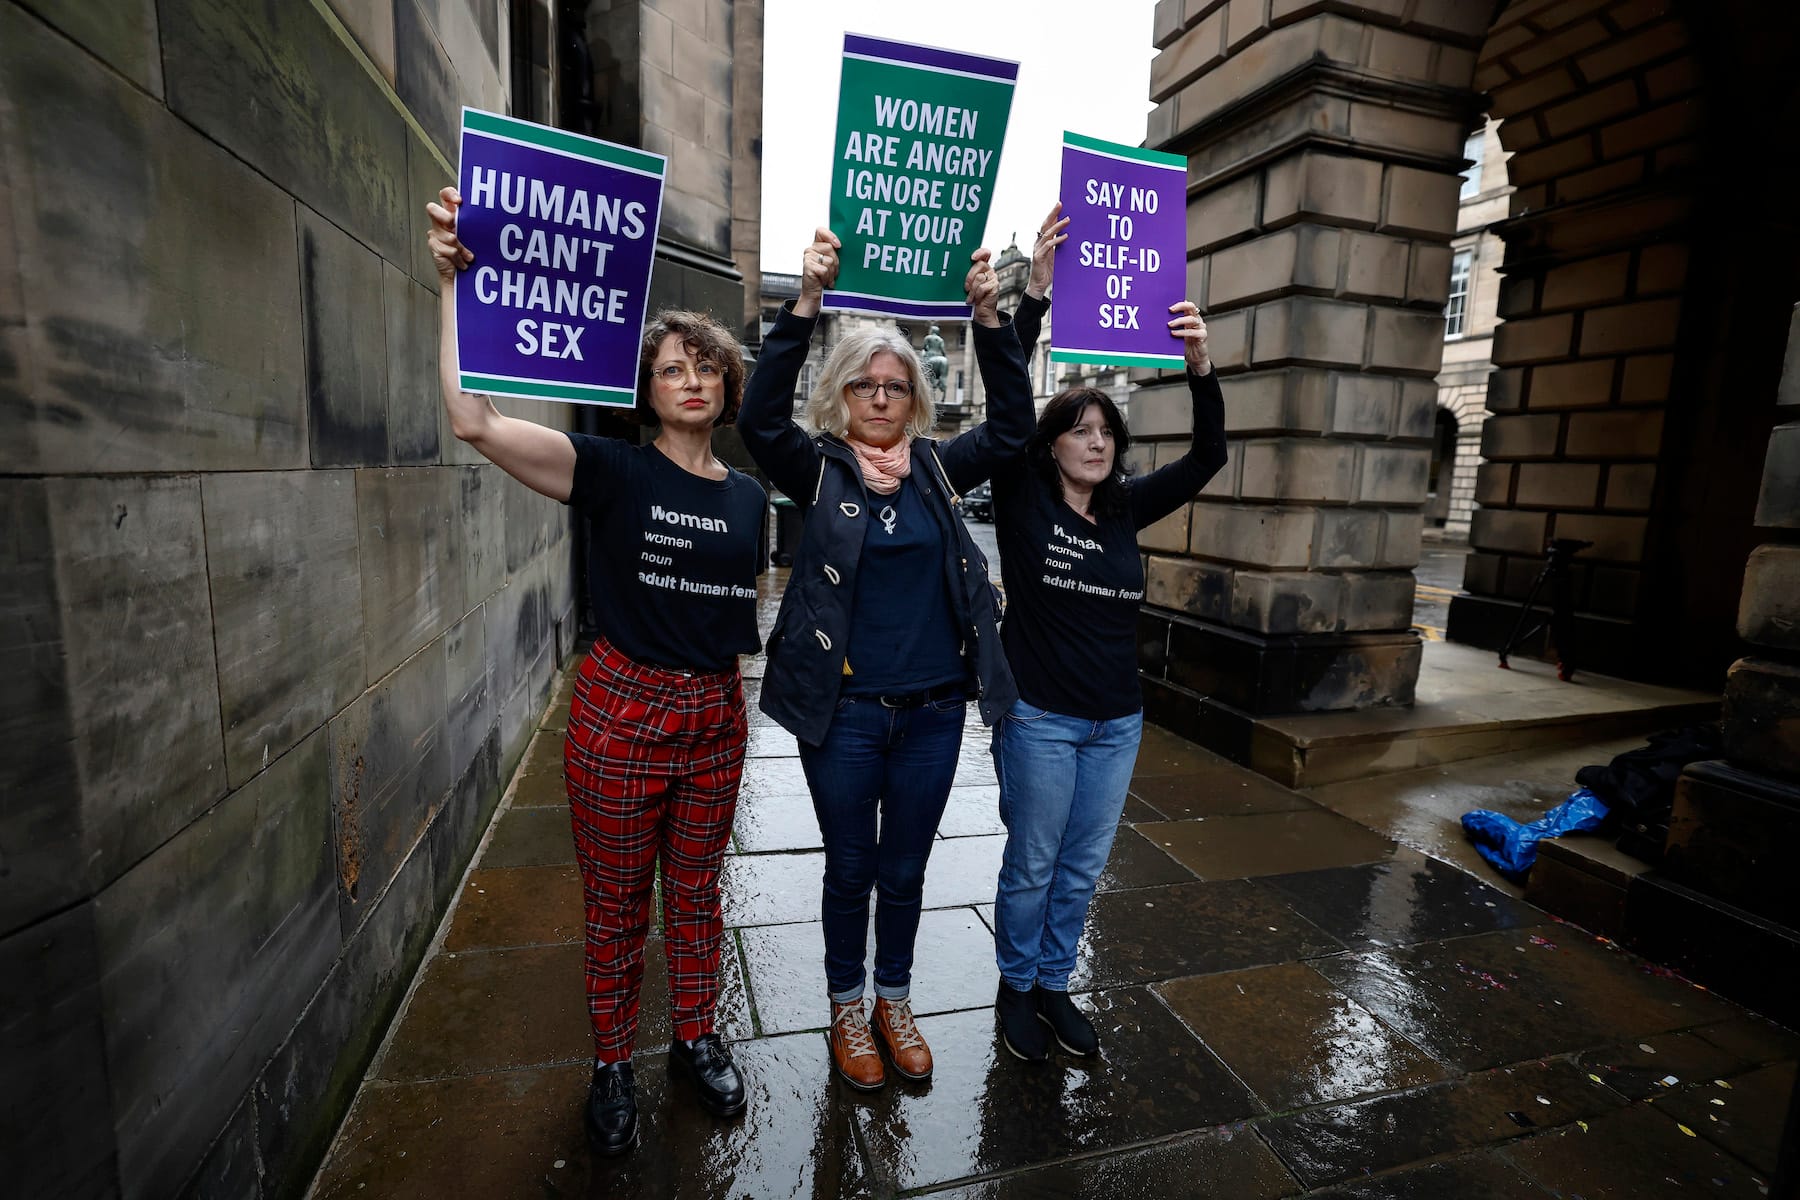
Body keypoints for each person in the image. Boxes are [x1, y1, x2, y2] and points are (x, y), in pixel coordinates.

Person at [427, 186, 764, 1155]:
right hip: (621, 712)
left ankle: (693, 1037)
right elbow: (473, 422)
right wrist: (451, 288)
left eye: (705, 366)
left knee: (696, 894)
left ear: (726, 383)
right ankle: (612, 1061)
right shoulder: (608, 468)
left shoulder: (747, 498)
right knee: (617, 904)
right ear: (646, 389)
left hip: (713, 716)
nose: (691, 379)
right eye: (670, 368)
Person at [737, 228, 1032, 1091]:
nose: (878, 395)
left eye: (894, 385)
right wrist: (805, 306)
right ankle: (843, 1006)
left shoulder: (940, 471)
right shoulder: (816, 468)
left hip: (936, 713)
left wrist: (989, 318)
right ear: (843, 394)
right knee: (852, 867)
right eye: (864, 383)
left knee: (905, 869)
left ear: (914, 400)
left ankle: (893, 1002)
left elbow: (1013, 424)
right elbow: (757, 418)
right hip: (847, 716)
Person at [989, 203, 1228, 1061]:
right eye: (1078, 431)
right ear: (1051, 444)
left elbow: (1206, 459)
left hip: (1116, 721)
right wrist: (1035, 301)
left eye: (1106, 432)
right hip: (1042, 719)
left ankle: (1056, 985)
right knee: (1032, 866)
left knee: (1082, 871)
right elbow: (1007, 403)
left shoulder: (1125, 508)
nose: (1095, 441)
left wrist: (1199, 363)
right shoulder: (1022, 498)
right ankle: (1015, 991)